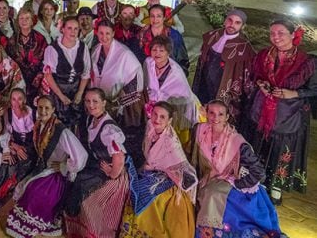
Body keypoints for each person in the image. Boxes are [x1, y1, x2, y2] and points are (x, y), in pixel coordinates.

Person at [247, 19, 317, 200]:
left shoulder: (306, 62)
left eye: (281, 33)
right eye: (272, 33)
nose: (276, 37)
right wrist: (261, 84)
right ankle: (256, 180)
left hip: (288, 115)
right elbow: (256, 75)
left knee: (281, 149)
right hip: (262, 111)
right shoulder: (264, 55)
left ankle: (276, 186)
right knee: (260, 146)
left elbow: (314, 89)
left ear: (293, 35)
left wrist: (293, 93)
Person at [191, 100, 281, 237]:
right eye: (212, 113)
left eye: (220, 114)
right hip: (212, 176)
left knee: (212, 193)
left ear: (227, 117)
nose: (215, 118)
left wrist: (239, 183)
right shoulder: (200, 131)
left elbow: (258, 171)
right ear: (206, 114)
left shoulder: (236, 142)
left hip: (233, 177)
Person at [5, 95, 87, 238]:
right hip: (43, 169)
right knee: (26, 188)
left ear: (53, 110)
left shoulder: (62, 131)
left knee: (36, 194)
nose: (43, 111)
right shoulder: (39, 125)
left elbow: (81, 156)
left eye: (47, 108)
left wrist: (64, 166)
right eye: (40, 107)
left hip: (56, 174)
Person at [120, 101, 197, 237]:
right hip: (151, 171)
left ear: (169, 121)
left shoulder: (170, 143)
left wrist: (177, 175)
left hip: (168, 178)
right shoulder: (150, 126)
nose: (157, 119)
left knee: (147, 195)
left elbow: (181, 168)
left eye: (162, 117)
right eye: (155, 114)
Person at [63, 88, 130, 238]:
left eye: (95, 101)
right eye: (88, 101)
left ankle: (78, 220)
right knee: (70, 174)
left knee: (81, 182)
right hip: (96, 163)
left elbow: (119, 158)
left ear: (104, 103)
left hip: (109, 169)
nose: (91, 105)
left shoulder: (109, 129)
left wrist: (111, 173)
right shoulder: (91, 119)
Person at [90, 20, 145, 162]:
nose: (104, 37)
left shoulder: (124, 53)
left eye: (107, 33)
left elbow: (136, 76)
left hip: (118, 103)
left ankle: (119, 164)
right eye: (101, 33)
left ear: (113, 33)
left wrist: (119, 98)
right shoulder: (96, 51)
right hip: (98, 102)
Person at [193, 9, 256, 119]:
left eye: (237, 23)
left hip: (223, 82)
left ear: (242, 26)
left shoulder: (244, 47)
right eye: (230, 20)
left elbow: (246, 75)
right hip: (205, 81)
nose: (232, 25)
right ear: (225, 21)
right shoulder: (213, 36)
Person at [143, 35, 199, 148]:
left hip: (173, 110)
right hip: (152, 108)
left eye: (161, 50)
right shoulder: (148, 63)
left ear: (168, 53)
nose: (157, 53)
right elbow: (145, 84)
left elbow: (185, 97)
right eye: (154, 50)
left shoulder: (176, 73)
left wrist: (167, 103)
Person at [43, 16, 91, 130]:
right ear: (63, 29)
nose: (73, 32)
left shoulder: (83, 47)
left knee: (76, 122)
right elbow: (48, 75)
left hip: (76, 91)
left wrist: (80, 93)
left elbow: (86, 73)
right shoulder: (52, 49)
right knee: (59, 123)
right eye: (69, 28)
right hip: (58, 91)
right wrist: (61, 96)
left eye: (76, 28)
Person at [7, 8, 48, 104]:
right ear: (18, 21)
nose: (24, 21)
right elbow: (9, 60)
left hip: (37, 81)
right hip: (18, 80)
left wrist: (38, 77)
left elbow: (46, 60)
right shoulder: (12, 40)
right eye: (21, 18)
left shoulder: (40, 39)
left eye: (27, 18)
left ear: (32, 21)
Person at [138, 4, 190, 75]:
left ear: (164, 17)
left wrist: (176, 75)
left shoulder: (173, 35)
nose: (155, 19)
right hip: (146, 74)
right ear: (149, 17)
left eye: (159, 16)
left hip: (169, 74)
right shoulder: (141, 34)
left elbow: (182, 59)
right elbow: (137, 57)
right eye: (152, 16)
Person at [4, 88, 36, 182]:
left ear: (25, 100)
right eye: (13, 99)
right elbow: (6, 134)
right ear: (10, 101)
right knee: (8, 163)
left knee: (24, 163)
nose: (16, 102)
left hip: (32, 149)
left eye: (20, 99)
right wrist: (15, 147)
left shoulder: (33, 113)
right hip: (15, 146)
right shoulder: (8, 114)